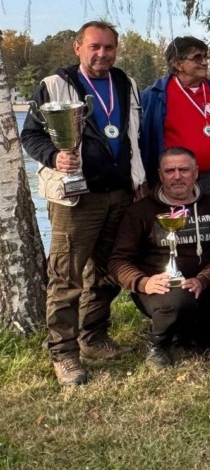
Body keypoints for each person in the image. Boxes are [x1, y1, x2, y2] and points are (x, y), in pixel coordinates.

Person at [20, 21, 147, 386]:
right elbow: (30, 134)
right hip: (75, 198)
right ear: (78, 48)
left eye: (109, 48)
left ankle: (94, 336)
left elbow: (132, 136)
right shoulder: (54, 84)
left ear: (116, 50)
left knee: (111, 270)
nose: (102, 54)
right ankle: (64, 354)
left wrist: (138, 178)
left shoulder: (125, 84)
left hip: (120, 193)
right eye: (94, 47)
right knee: (66, 277)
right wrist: (53, 156)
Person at [110, 147, 210, 367]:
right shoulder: (140, 212)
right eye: (170, 170)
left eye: (184, 170)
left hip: (202, 288)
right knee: (178, 301)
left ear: (195, 173)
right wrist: (144, 282)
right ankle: (158, 344)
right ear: (160, 174)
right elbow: (118, 260)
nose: (177, 176)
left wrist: (204, 279)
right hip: (160, 291)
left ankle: (185, 331)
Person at [140, 36, 210, 224]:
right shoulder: (155, 95)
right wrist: (147, 182)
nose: (204, 62)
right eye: (197, 58)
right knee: (177, 236)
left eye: (205, 56)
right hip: (174, 182)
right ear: (178, 64)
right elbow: (146, 142)